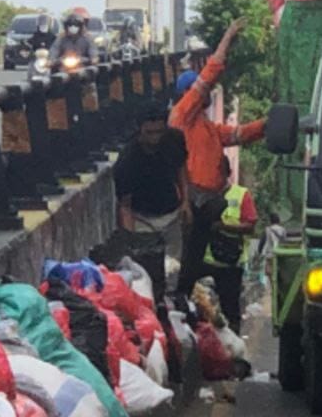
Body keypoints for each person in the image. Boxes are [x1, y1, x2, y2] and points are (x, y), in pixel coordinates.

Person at [171, 17, 266, 294]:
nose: (209, 92)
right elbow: (209, 75)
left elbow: (239, 134)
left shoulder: (206, 128)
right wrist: (227, 38)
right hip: (194, 201)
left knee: (200, 267)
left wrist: (269, 124)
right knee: (188, 265)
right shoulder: (183, 117)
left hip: (208, 205)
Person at [113, 103, 189, 300]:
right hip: (142, 218)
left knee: (173, 268)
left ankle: (170, 301)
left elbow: (181, 169)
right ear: (140, 130)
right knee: (146, 270)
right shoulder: (128, 160)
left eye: (159, 132)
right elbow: (125, 205)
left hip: (171, 214)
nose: (155, 138)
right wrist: (131, 239)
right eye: (150, 132)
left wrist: (186, 202)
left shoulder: (174, 140)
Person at [201, 156, 258, 334]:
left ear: (227, 174)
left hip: (230, 264)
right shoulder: (201, 195)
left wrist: (224, 227)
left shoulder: (241, 195)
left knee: (230, 310)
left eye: (218, 173)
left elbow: (250, 225)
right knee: (202, 309)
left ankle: (233, 348)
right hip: (204, 263)